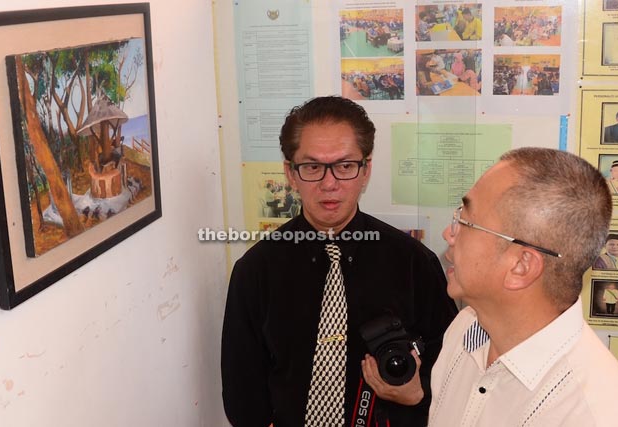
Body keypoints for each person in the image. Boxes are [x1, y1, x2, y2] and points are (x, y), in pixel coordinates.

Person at [221, 96, 458, 427]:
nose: (329, 183)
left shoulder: (414, 263)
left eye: (345, 166)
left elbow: (451, 365)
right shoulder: (255, 270)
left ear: (366, 171)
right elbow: (241, 386)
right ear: (291, 173)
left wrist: (419, 394)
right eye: (312, 167)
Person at [429, 147, 618, 426]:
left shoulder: (591, 412)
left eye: (465, 221)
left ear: (521, 266)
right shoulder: (465, 328)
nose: (449, 233)